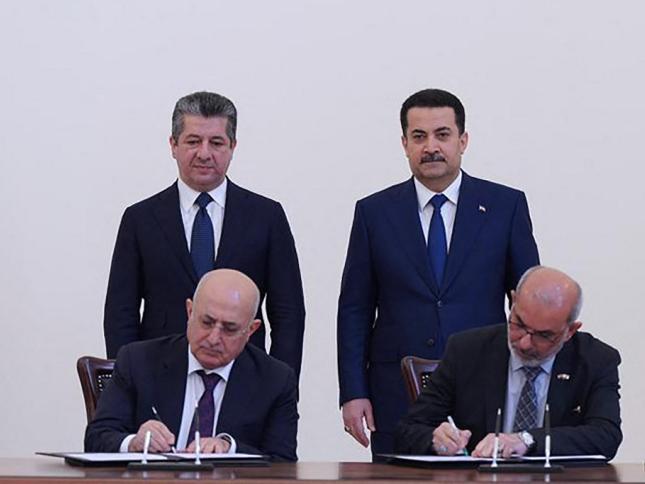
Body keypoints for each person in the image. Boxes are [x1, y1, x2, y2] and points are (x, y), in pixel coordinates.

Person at [337, 88, 540, 455]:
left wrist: (530, 380)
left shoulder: (505, 206)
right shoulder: (374, 212)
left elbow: (528, 302)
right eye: (419, 136)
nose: (430, 147)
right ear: (404, 144)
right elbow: (355, 308)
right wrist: (353, 392)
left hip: (484, 386)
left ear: (463, 140)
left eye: (442, 134)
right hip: (396, 393)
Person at [103, 91, 305, 377]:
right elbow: (120, 313)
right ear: (173, 145)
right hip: (159, 376)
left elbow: (288, 313)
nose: (204, 153)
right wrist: (128, 382)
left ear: (233, 146)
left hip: (244, 379)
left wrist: (281, 385)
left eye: (216, 142)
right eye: (193, 141)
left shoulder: (266, 217)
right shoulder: (140, 219)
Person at [395, 266, 622, 460]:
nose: (524, 343)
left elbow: (606, 436)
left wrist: (527, 440)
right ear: (513, 301)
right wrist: (435, 440)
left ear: (570, 331)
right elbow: (408, 430)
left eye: (543, 335)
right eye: (519, 324)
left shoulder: (596, 360)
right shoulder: (466, 350)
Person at [86, 269, 298, 461]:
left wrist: (230, 448)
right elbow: (97, 438)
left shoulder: (276, 380)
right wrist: (133, 443)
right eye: (206, 322)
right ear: (190, 312)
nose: (213, 339)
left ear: (251, 330)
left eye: (229, 329)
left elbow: (283, 462)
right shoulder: (138, 361)